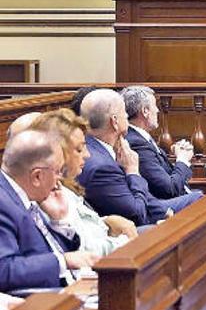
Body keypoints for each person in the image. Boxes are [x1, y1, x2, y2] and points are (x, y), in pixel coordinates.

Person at [77, 90, 193, 226]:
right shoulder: (101, 167)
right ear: (114, 121)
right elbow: (137, 214)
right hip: (130, 233)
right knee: (199, 201)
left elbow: (145, 201)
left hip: (147, 211)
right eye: (123, 112)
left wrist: (163, 211)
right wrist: (133, 171)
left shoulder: (102, 148)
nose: (127, 115)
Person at [29, 109, 136, 256]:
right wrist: (127, 241)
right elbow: (82, 248)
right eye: (79, 149)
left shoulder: (63, 186)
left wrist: (106, 222)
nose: (87, 155)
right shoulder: (47, 195)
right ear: (57, 153)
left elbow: (81, 225)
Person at [0, 130, 96, 292]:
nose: (60, 178)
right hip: (41, 303)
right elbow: (4, 270)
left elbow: (49, 248)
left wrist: (58, 221)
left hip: (71, 285)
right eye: (58, 171)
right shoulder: (3, 203)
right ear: (37, 176)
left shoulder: (24, 191)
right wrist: (63, 261)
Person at [122, 86, 201, 200]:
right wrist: (182, 160)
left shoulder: (141, 137)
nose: (158, 110)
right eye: (154, 106)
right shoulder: (137, 143)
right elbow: (169, 189)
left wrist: (178, 155)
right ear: (145, 111)